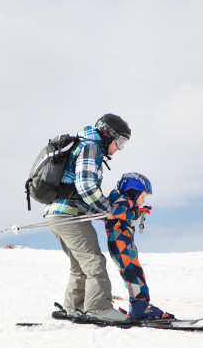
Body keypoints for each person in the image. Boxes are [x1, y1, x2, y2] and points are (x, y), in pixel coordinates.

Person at [45, 114, 132, 323]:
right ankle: (98, 308)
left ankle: (74, 307)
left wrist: (99, 213)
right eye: (120, 141)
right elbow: (86, 186)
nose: (119, 148)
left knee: (80, 264)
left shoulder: (83, 146)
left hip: (56, 215)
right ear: (107, 134)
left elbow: (79, 188)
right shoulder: (91, 147)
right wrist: (107, 208)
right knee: (94, 261)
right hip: (70, 215)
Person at [105, 173, 174, 320]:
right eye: (142, 197)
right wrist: (135, 212)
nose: (142, 201)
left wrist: (136, 210)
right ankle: (140, 307)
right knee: (134, 273)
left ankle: (137, 305)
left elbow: (122, 211)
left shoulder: (122, 200)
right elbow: (118, 211)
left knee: (132, 273)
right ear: (132, 192)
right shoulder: (122, 200)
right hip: (121, 244)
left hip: (122, 244)